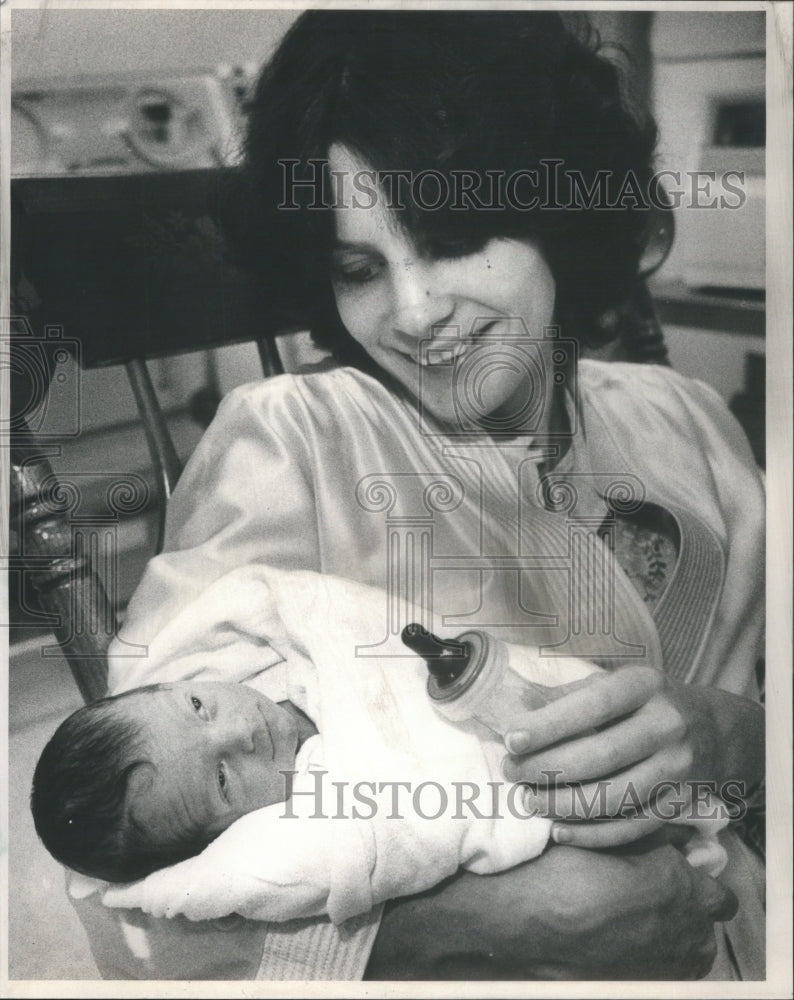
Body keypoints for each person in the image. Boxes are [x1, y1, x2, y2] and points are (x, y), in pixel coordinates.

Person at [68, 9, 764, 981]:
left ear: (558, 213)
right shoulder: (289, 444)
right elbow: (126, 903)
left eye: (450, 238)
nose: (410, 310)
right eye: (359, 267)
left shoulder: (692, 422)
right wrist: (484, 918)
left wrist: (744, 740)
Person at [34, 568, 729, 923]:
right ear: (218, 838)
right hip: (540, 787)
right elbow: (385, 838)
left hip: (556, 697)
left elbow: (329, 614)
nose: (241, 731)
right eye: (222, 779)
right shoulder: (304, 817)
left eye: (197, 705)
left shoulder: (282, 658)